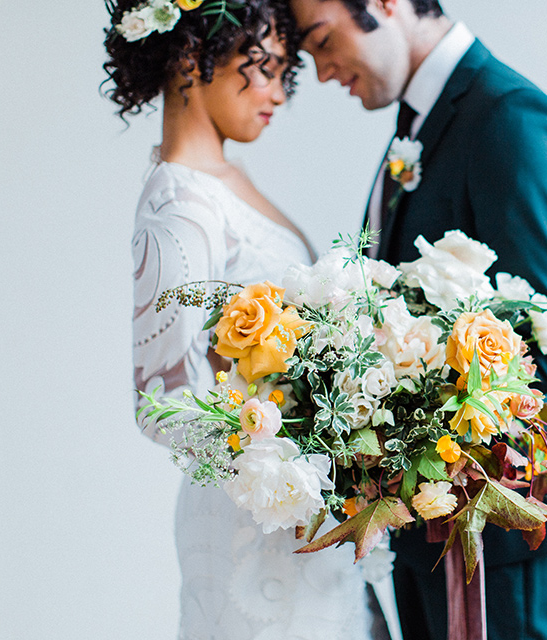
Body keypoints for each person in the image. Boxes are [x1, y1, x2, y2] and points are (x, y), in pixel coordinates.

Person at [287, 1, 547, 639]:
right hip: (427, 512)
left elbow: (544, 343)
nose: (322, 70)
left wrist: (393, 373)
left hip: (497, 517)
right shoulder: (421, 123)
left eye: (321, 40)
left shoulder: (512, 120)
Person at [104, 1, 387, 637]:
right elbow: (161, 403)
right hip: (256, 521)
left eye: (283, 73)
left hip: (301, 510)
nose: (277, 94)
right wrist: (284, 472)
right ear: (189, 57)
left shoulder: (227, 178)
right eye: (261, 68)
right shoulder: (179, 199)